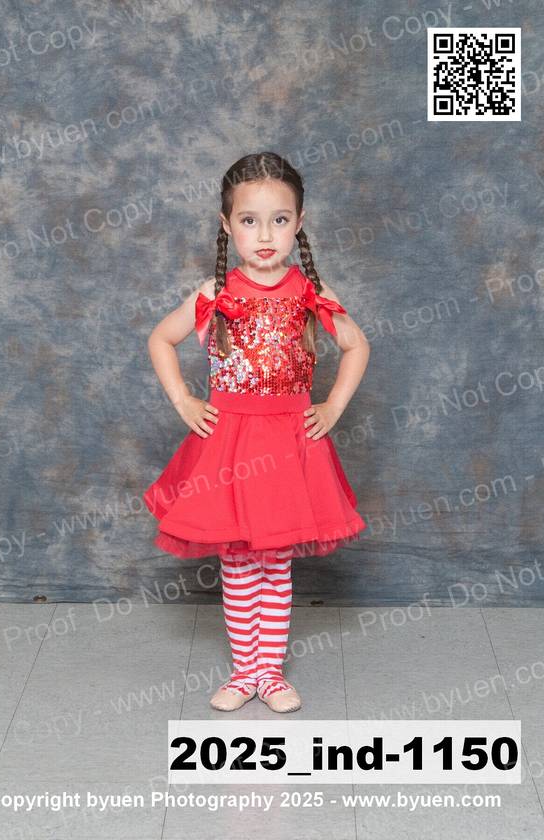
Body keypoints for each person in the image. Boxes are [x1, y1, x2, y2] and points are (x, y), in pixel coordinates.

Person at [143, 151, 370, 713]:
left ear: (299, 223)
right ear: (227, 225)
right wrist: (184, 400)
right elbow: (160, 339)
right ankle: (244, 671)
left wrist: (333, 406)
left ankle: (271, 672)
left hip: (290, 445)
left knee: (276, 561)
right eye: (250, 220)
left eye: (279, 220)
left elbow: (356, 344)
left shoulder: (309, 292)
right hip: (229, 443)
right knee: (239, 561)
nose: (265, 235)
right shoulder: (214, 293)